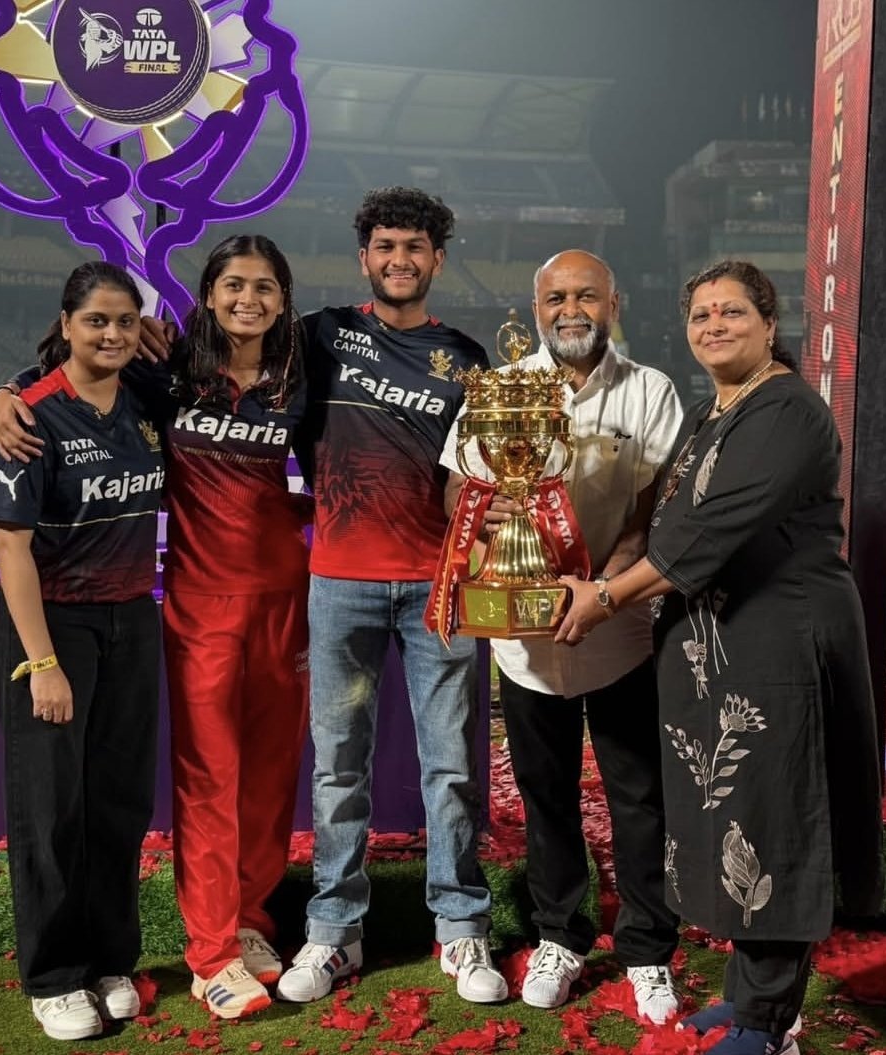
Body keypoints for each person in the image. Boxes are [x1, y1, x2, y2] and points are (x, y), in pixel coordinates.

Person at [556, 260, 884, 1055]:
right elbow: (670, 526)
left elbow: (701, 537)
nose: (713, 326)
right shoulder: (713, 412)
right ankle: (746, 1000)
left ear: (769, 324)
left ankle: (771, 1022)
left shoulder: (786, 412)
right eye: (700, 315)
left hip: (779, 642)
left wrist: (602, 597)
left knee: (773, 818)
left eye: (732, 311)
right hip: (717, 647)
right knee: (733, 815)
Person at [0, 235, 311, 1021]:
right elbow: (67, 372)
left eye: (264, 285)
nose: (249, 298)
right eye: (233, 283)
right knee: (193, 780)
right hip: (186, 608)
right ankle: (203, 954)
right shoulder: (167, 376)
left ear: (283, 297)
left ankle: (243, 918)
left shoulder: (303, 373)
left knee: (249, 781)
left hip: (269, 601)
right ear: (205, 294)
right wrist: (9, 391)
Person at [274, 186, 507, 1005]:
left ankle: (461, 931)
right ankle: (333, 933)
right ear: (364, 255)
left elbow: (484, 480)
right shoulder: (320, 336)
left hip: (438, 586)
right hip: (339, 582)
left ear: (437, 259)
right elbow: (220, 356)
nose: (398, 259)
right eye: (384, 246)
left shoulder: (468, 360)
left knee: (449, 766)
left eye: (414, 247)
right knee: (339, 766)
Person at [441, 250, 685, 1018]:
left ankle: (647, 949)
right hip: (523, 641)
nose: (569, 309)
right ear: (535, 305)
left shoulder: (650, 390)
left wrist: (598, 592)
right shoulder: (504, 385)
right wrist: (488, 525)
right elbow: (455, 478)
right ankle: (560, 935)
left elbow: (654, 510)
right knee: (545, 796)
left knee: (637, 798)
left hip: (619, 632)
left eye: (585, 295)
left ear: (613, 302)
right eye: (555, 297)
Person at [0, 262, 163, 1041]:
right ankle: (54, 975)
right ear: (65, 323)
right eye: (96, 320)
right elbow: (11, 547)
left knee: (119, 800)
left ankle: (110, 958)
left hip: (133, 617)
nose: (112, 333)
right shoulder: (30, 415)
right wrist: (44, 661)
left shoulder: (145, 400)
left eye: (125, 320)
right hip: (53, 626)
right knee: (51, 804)